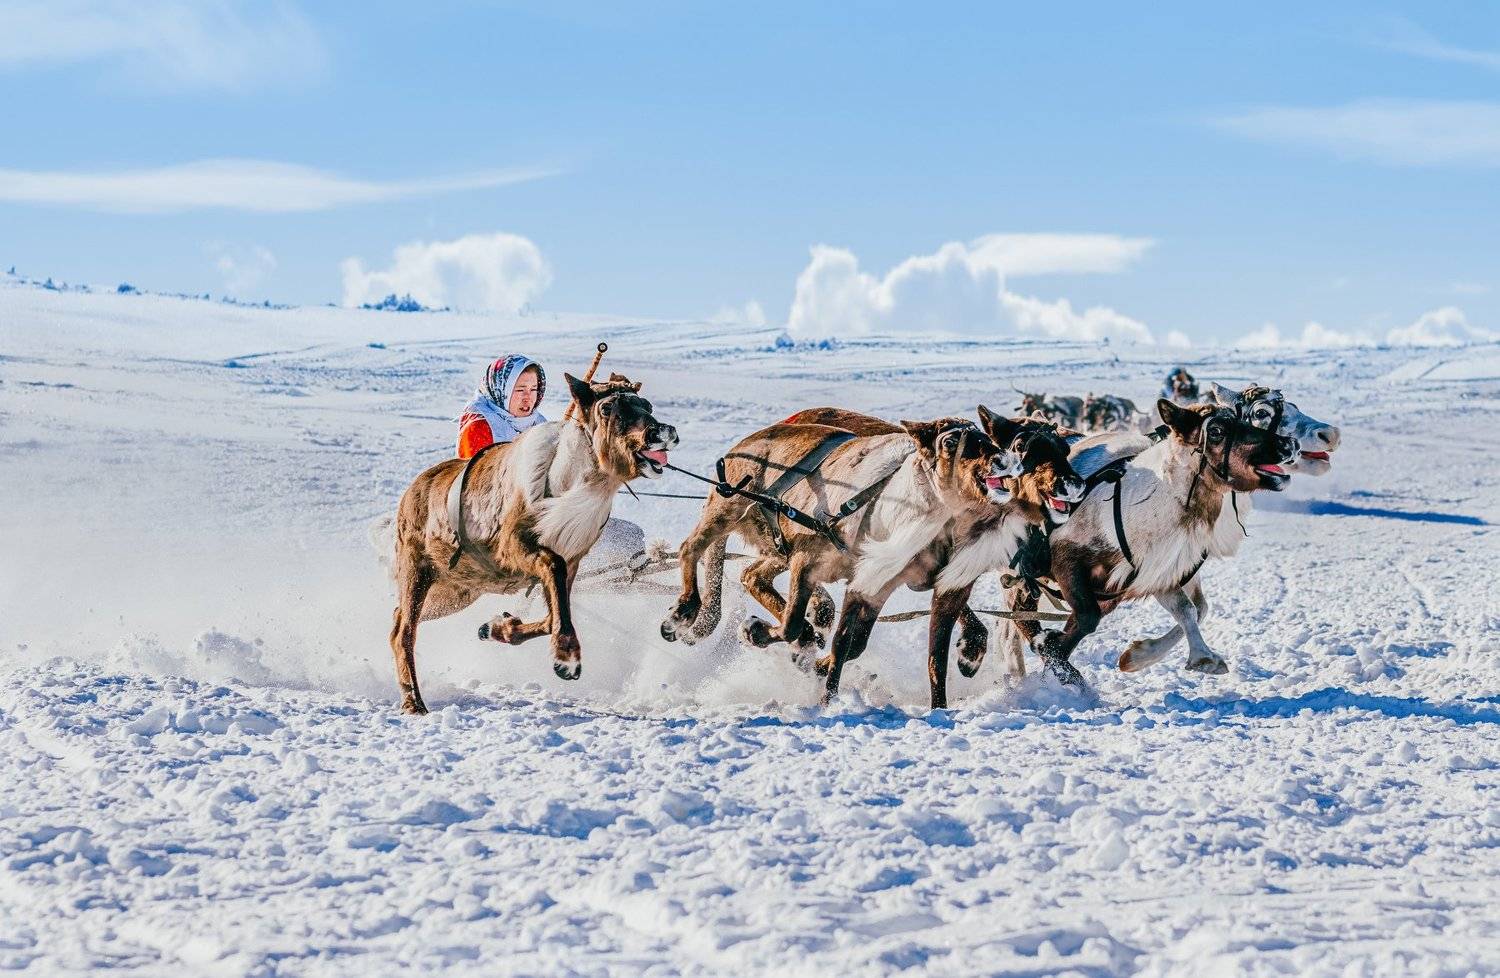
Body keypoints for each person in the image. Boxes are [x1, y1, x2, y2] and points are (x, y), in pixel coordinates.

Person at [456, 354, 547, 459]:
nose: (528, 397)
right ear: (500, 391)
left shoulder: (540, 423)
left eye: (533, 389)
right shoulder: (480, 426)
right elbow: (476, 473)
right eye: (520, 390)